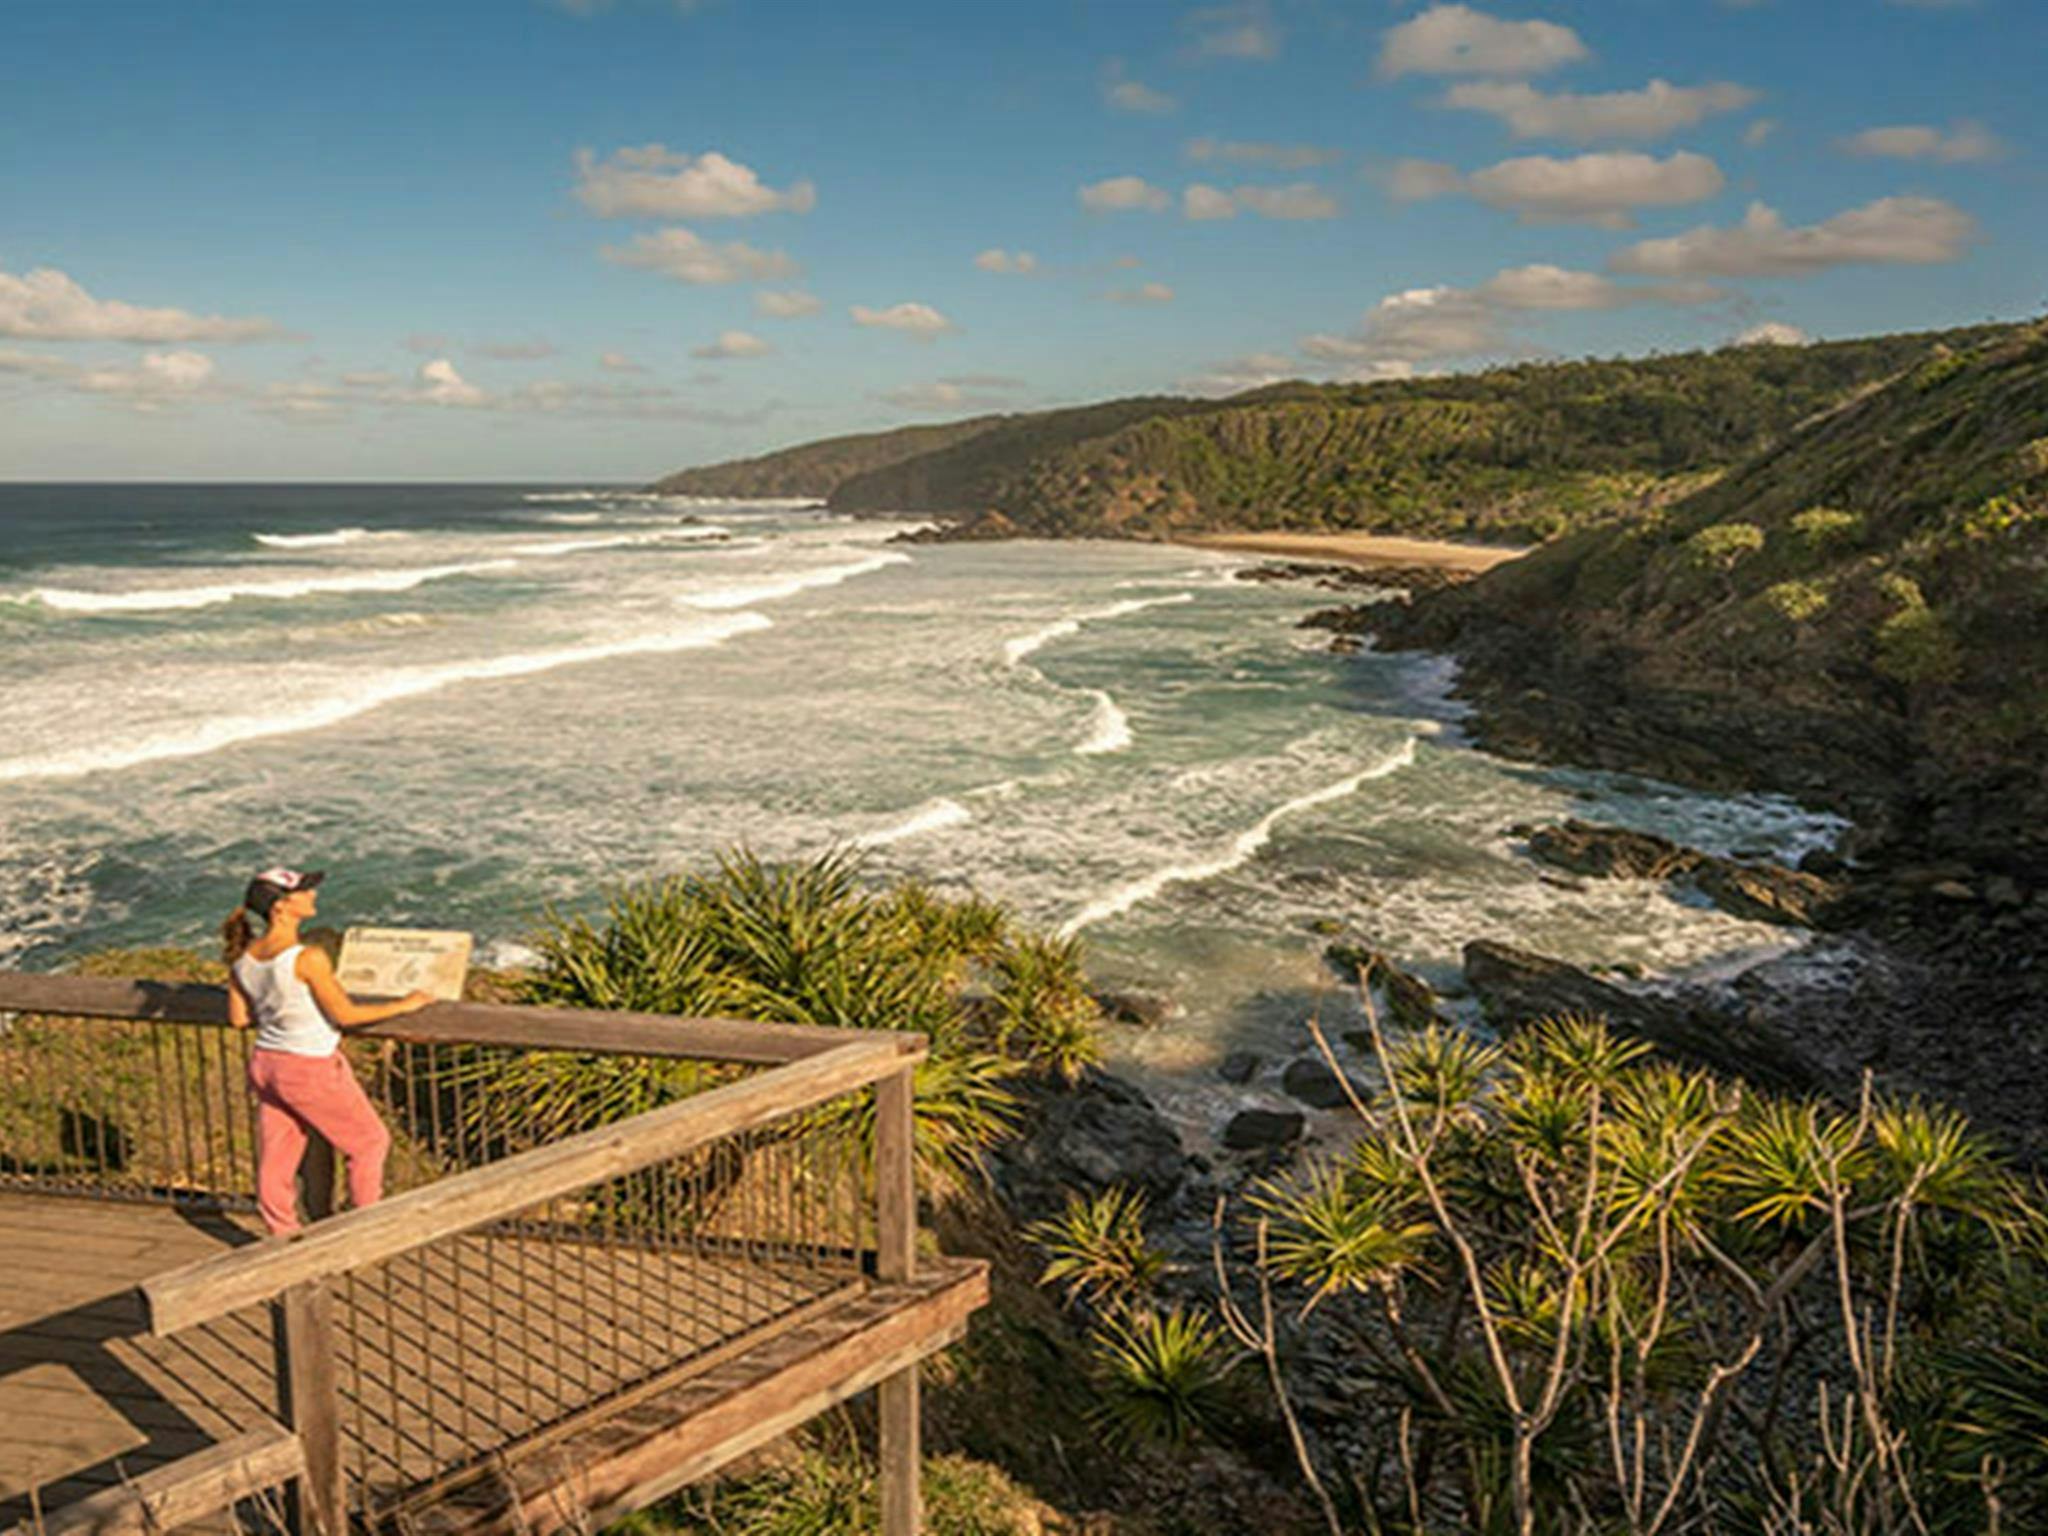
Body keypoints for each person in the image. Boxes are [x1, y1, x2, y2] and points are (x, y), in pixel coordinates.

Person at [221, 867, 432, 1236]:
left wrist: (281, 1009)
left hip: (266, 1064)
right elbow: (346, 1014)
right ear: (281, 908)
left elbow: (239, 1019)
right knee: (369, 1142)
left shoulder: (243, 958)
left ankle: (282, 1234)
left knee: (278, 1156)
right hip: (308, 1067)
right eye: (303, 891)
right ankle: (366, 1233)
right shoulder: (308, 958)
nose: (313, 895)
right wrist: (406, 1004)